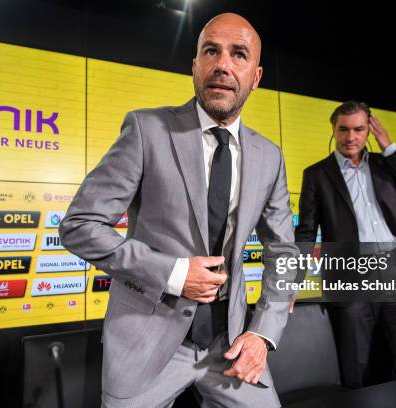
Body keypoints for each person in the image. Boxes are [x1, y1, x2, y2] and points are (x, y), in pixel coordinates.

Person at [59, 13, 298, 408]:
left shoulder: (269, 156)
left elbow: (286, 255)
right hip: (145, 344)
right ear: (195, 66)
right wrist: (172, 274)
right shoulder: (145, 130)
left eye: (238, 54)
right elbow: (80, 225)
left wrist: (263, 334)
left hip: (230, 345)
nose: (222, 64)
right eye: (211, 51)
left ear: (255, 77)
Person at [294, 101, 396, 388]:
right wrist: (292, 281)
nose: (350, 137)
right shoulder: (317, 174)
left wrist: (390, 147)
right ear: (333, 129)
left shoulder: (385, 165)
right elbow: (306, 232)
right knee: (355, 369)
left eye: (358, 129)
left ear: (369, 130)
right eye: (343, 129)